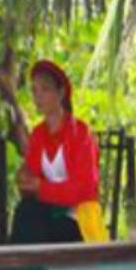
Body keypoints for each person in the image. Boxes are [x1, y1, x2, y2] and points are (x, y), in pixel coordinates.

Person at [10, 59, 107, 244]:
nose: (38, 97)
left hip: (78, 218)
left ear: (60, 93)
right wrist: (24, 179)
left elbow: (84, 188)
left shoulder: (81, 133)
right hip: (48, 215)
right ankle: (19, 266)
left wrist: (41, 188)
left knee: (34, 221)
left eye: (45, 89)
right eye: (34, 90)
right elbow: (31, 178)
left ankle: (28, 266)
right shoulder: (38, 134)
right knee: (25, 210)